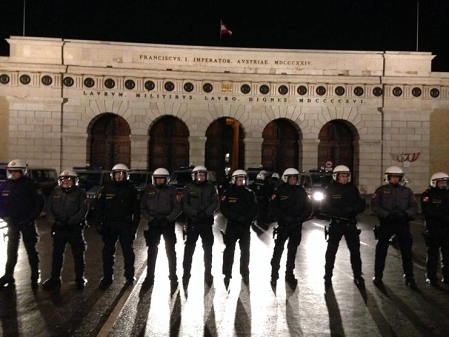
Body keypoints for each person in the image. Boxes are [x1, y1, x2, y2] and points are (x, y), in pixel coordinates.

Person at [94, 164, 140, 289]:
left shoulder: (131, 189)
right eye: (116, 174)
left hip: (125, 224)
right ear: (112, 175)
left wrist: (134, 227)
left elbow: (137, 211)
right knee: (108, 252)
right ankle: (107, 277)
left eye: (121, 174)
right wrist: (98, 224)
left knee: (128, 252)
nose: (119, 176)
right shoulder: (106, 188)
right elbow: (99, 208)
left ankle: (129, 276)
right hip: (110, 224)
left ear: (126, 175)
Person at [0, 159, 45, 288]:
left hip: (27, 222)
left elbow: (39, 203)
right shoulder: (5, 185)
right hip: (12, 223)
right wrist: (5, 217)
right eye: (12, 171)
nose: (14, 174)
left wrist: (31, 218)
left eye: (16, 172)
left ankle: (35, 274)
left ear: (22, 172)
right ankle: (8, 275)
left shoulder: (31, 185)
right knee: (11, 250)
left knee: (31, 249)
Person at [371, 166, 418, 288]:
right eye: (393, 177)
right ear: (388, 178)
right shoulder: (380, 190)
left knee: (406, 251)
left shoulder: (407, 191)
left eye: (397, 177)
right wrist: (387, 215)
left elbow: (414, 207)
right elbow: (375, 206)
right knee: (381, 251)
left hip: (402, 224)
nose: (395, 179)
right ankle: (378, 275)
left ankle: (409, 277)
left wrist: (405, 214)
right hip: (387, 223)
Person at [42, 169, 89, 290]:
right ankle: (55, 278)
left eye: (69, 180)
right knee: (57, 254)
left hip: (73, 228)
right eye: (64, 180)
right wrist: (55, 222)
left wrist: (70, 221)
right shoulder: (55, 193)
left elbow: (83, 210)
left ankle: (80, 278)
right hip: (59, 228)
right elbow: (49, 210)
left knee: (78, 254)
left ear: (74, 181)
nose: (67, 182)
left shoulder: (80, 193)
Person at [322, 165, 366, 286]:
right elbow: (325, 205)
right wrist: (338, 212)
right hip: (336, 224)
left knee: (355, 251)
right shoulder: (330, 189)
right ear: (336, 176)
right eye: (342, 176)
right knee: (331, 251)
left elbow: (361, 204)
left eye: (346, 176)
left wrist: (352, 209)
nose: (344, 178)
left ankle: (358, 275)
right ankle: (327, 275)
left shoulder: (352, 188)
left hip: (350, 224)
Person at [269, 168, 312, 286]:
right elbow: (273, 207)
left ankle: (289, 274)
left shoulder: (301, 191)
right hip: (283, 226)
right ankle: (274, 275)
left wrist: (300, 219)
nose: (293, 180)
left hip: (296, 226)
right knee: (278, 250)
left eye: (295, 178)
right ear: (286, 178)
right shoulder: (279, 190)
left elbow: (308, 208)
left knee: (292, 251)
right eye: (291, 178)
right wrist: (282, 218)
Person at [140, 168, 182, 288]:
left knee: (171, 251)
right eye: (157, 178)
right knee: (152, 251)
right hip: (153, 224)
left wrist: (168, 219)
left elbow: (177, 207)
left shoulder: (172, 191)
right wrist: (150, 219)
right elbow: (142, 207)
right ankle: (149, 277)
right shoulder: (148, 190)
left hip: (167, 224)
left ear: (166, 179)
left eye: (161, 178)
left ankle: (173, 276)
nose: (159, 180)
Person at [220, 169, 258, 285]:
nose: (241, 182)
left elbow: (255, 208)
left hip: (245, 226)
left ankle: (244, 272)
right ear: (234, 180)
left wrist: (246, 218)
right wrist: (235, 217)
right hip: (232, 225)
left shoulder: (250, 193)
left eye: (243, 180)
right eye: (239, 180)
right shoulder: (228, 193)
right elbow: (223, 208)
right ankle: (227, 273)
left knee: (245, 251)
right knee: (229, 250)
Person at [182, 165, 219, 286]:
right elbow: (185, 205)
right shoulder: (188, 188)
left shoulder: (211, 188)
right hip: (193, 222)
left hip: (206, 223)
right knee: (189, 250)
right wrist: (196, 213)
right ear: (194, 176)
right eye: (199, 175)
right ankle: (186, 273)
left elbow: (215, 202)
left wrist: (206, 213)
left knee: (208, 250)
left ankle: (208, 273)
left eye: (203, 175)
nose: (201, 177)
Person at [421, 172, 449, 285]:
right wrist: (443, 216)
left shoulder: (447, 194)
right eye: (441, 182)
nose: (443, 184)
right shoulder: (428, 194)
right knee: (433, 254)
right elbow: (428, 211)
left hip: (446, 228)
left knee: (447, 254)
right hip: (434, 228)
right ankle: (431, 276)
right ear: (434, 183)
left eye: (444, 182)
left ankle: (447, 276)